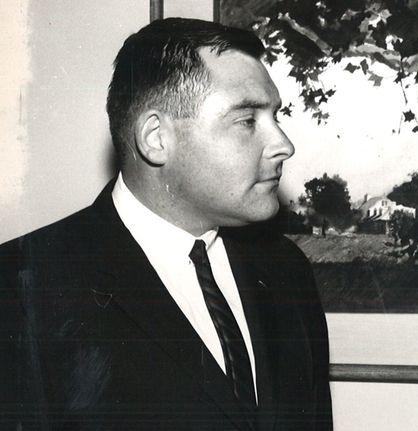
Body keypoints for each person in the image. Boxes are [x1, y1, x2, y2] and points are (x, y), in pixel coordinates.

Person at [0, 18, 332, 430]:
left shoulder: (287, 270)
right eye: (247, 120)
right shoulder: (19, 286)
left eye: (274, 116)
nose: (284, 144)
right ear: (156, 138)